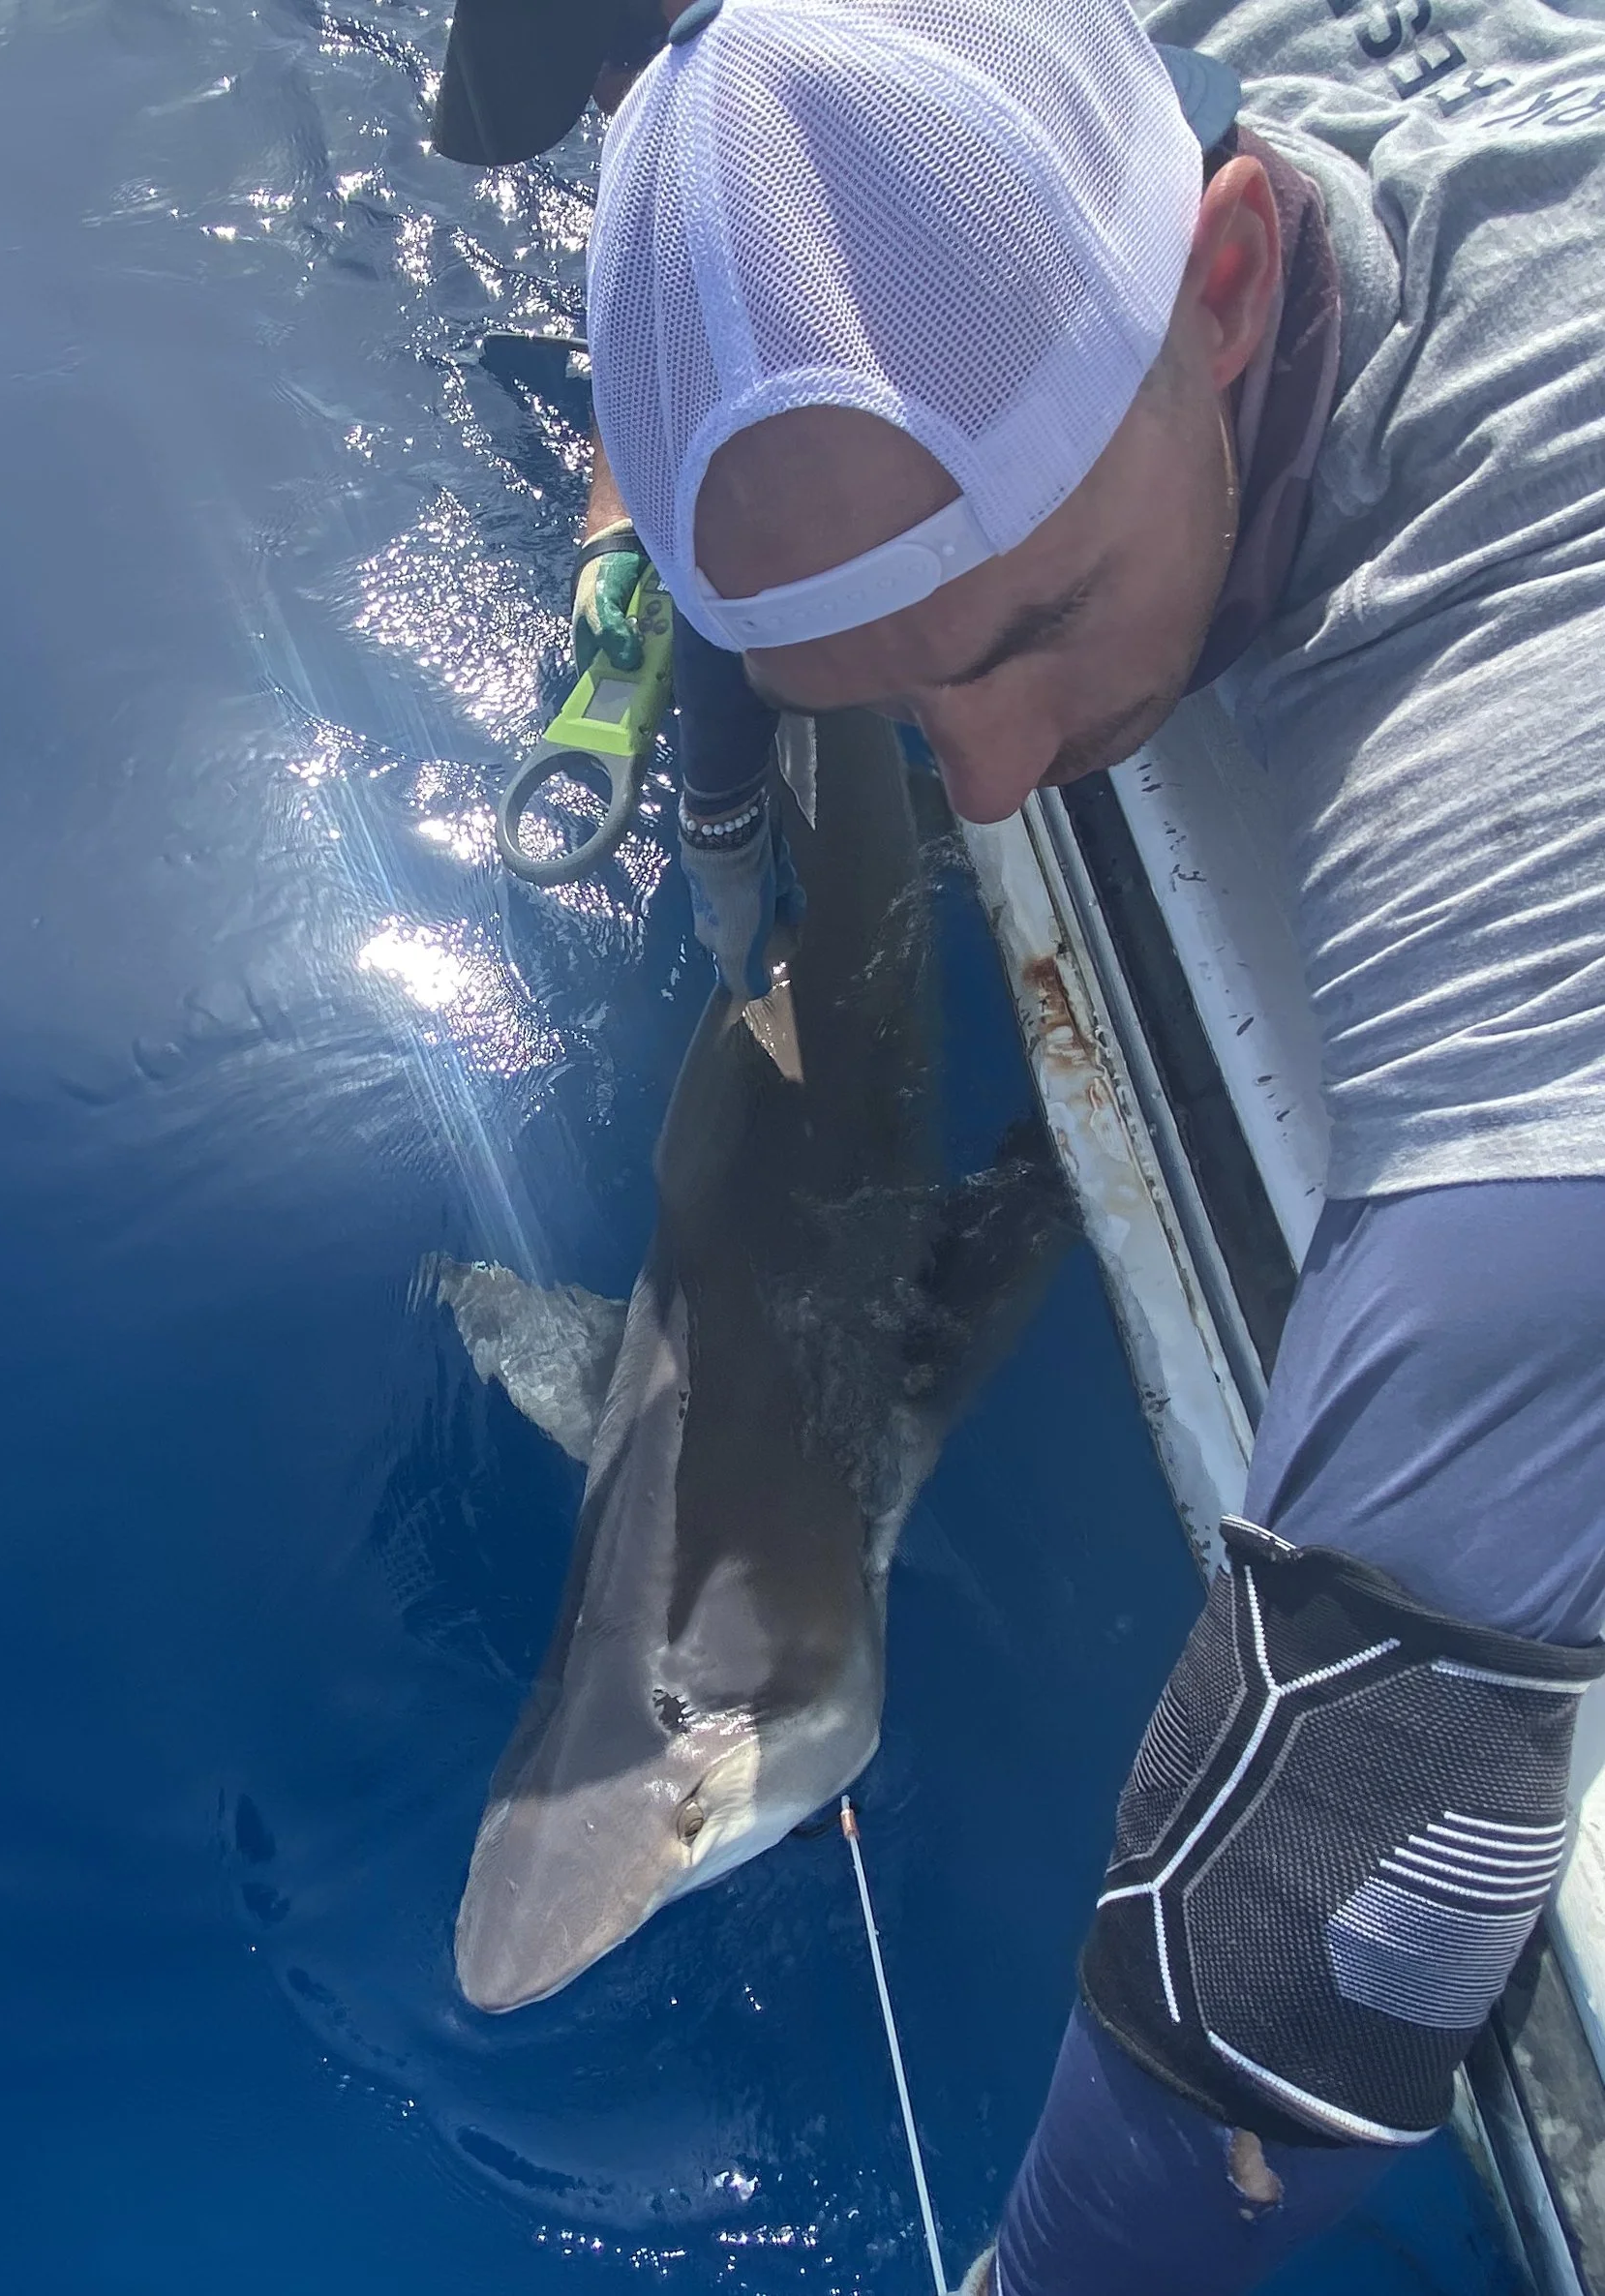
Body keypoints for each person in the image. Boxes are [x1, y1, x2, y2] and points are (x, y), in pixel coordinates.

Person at [573, 0, 1605, 2290]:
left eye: (1027, 627)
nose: (995, 779)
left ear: (1220, 279)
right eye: (896, 694)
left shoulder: (1523, 753)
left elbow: (1363, 1821)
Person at [435, 0, 799, 1003]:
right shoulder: (684, 138)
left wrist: (720, 822)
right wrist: (612, 527)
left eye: (613, 74)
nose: (610, 110)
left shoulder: (779, 132)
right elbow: (648, 330)